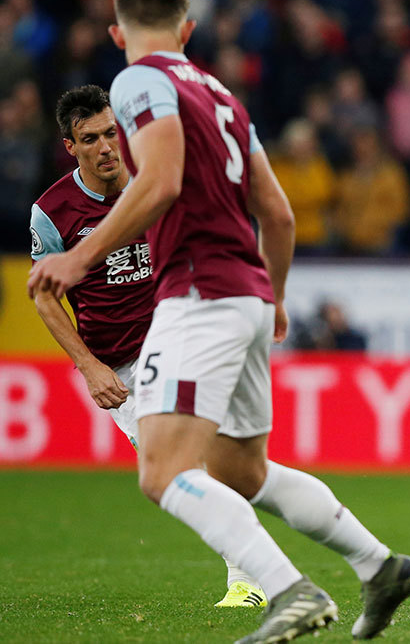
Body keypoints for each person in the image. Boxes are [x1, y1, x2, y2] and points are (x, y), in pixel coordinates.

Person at [26, 0, 410, 643]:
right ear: (187, 30)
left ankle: (289, 590)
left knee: (162, 471)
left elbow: (160, 180)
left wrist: (79, 255)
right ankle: (379, 564)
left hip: (195, 291)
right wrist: (272, 296)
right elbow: (279, 214)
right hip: (244, 289)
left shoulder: (135, 83)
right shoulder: (222, 98)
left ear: (119, 35)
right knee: (242, 470)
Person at [30, 85, 268, 609]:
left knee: (206, 462)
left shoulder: (154, 178)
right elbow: (47, 300)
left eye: (112, 132)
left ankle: (248, 579)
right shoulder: (52, 213)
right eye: (90, 139)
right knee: (177, 479)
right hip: (121, 366)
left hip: (181, 334)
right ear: (70, 146)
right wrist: (89, 367)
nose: (106, 147)